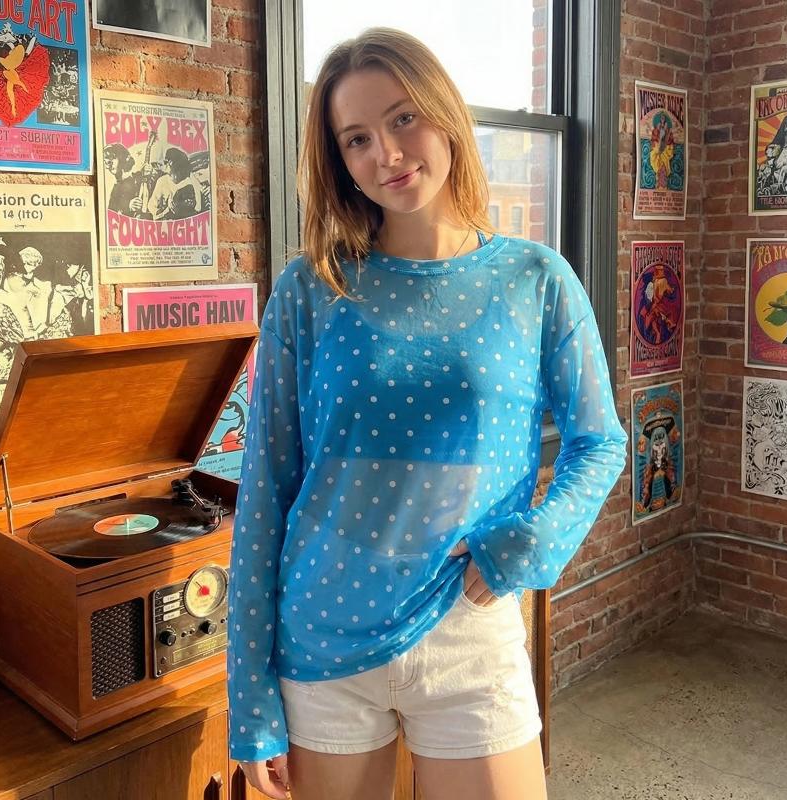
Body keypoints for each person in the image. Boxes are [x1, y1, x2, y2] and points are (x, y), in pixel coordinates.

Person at [228, 28, 627, 800]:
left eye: (403, 118)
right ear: (339, 159)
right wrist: (250, 703)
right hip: (322, 638)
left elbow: (600, 440)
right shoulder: (310, 291)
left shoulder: (535, 279)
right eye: (356, 138)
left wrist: (535, 541)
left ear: (445, 114)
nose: (386, 153)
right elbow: (266, 493)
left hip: (467, 627)